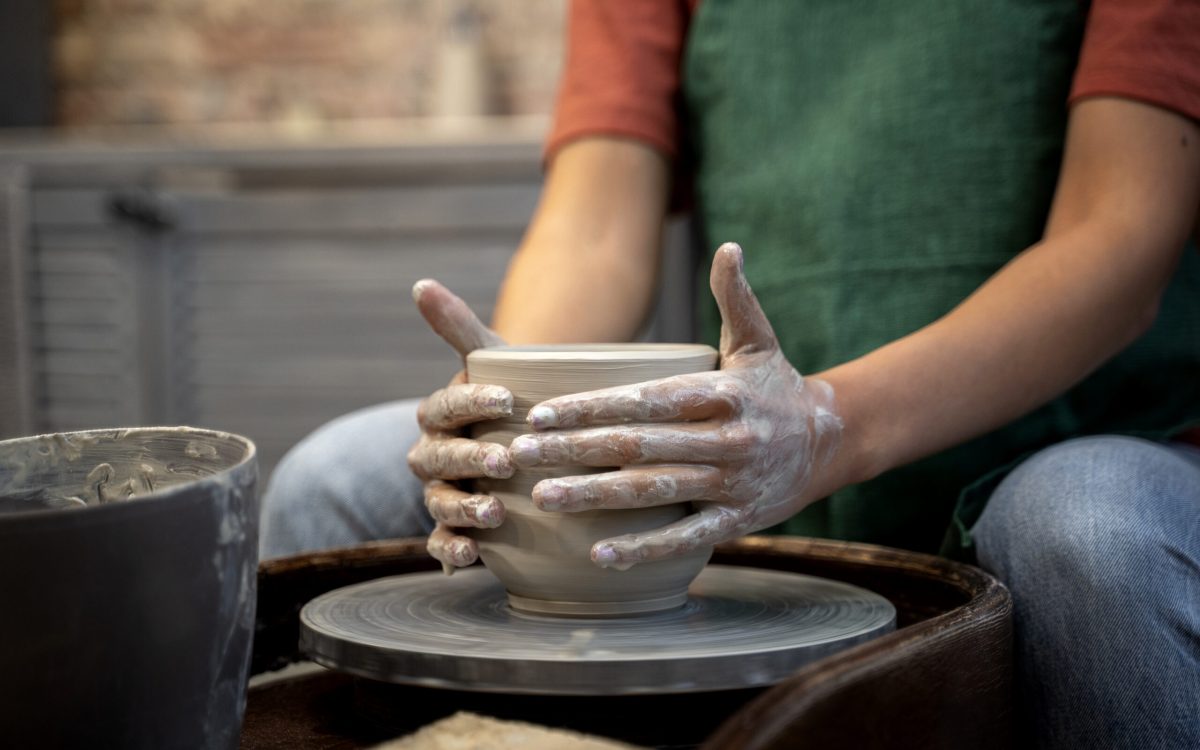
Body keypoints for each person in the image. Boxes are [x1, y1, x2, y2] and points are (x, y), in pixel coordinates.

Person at [261, 1, 1200, 746]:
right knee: (334, 480)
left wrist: (829, 425)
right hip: (757, 454)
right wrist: (510, 415)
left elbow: (1120, 239)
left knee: (1088, 529)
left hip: (1075, 425)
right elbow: (595, 224)